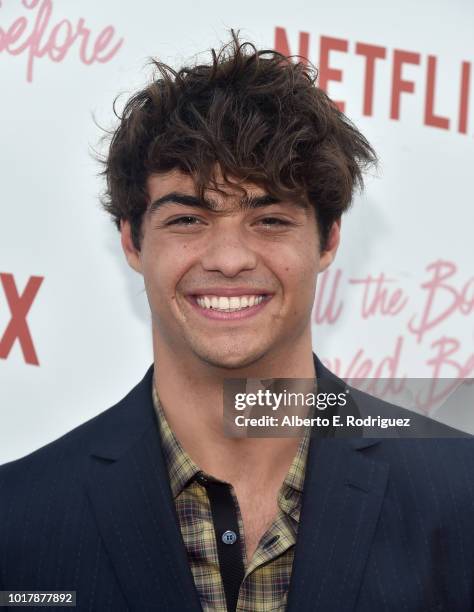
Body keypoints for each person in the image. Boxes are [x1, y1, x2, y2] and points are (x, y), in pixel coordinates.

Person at [1, 33, 473, 612]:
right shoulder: (16, 517)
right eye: (188, 220)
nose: (229, 259)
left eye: (270, 219)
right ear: (131, 240)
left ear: (328, 240)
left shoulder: (461, 494)